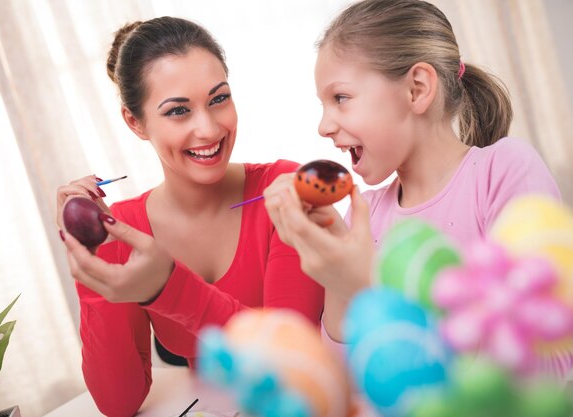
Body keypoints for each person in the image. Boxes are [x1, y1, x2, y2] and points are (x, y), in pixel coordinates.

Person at [56, 17, 324, 417]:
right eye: (179, 111)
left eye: (219, 99)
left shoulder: (285, 187)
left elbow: (290, 367)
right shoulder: (122, 229)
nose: (209, 128)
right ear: (135, 122)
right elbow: (118, 402)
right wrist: (92, 258)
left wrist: (168, 286)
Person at [262, 0, 561, 345]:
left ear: (416, 88)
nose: (324, 126)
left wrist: (366, 286)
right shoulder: (366, 213)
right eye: (324, 105)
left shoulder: (503, 171)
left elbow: (542, 362)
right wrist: (337, 275)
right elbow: (346, 379)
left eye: (341, 97)